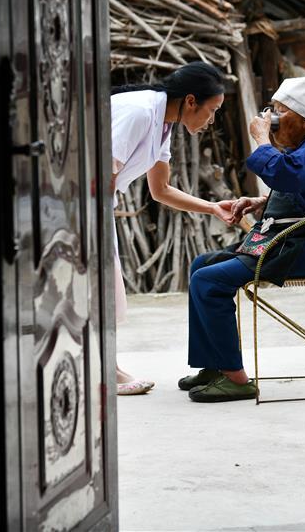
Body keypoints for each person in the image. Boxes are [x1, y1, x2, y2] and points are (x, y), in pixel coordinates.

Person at [177, 76, 305, 402]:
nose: (272, 118)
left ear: (304, 118)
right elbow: (304, 191)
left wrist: (261, 139)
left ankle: (237, 380)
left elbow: (285, 173)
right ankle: (214, 365)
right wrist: (258, 203)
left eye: (280, 111)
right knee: (201, 265)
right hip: (286, 240)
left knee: (209, 282)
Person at [109, 62, 237, 395]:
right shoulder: (139, 112)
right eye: (212, 110)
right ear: (191, 100)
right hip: (77, 206)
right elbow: (102, 173)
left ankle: (107, 366)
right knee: (94, 285)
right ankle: (103, 371)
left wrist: (211, 208)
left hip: (94, 206)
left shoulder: (163, 124)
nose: (211, 121)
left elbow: (161, 189)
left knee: (102, 288)